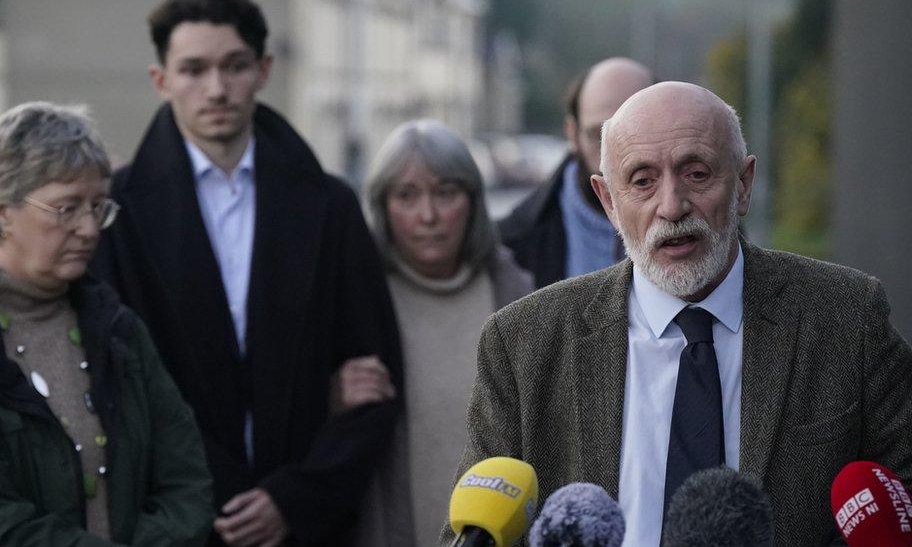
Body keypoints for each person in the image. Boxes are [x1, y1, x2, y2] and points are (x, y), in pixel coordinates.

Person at [444, 82, 912, 545]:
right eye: (642, 181)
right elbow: (474, 531)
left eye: (697, 173)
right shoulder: (524, 342)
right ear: (609, 201)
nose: (671, 206)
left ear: (743, 185)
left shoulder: (846, 317)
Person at [90, 0, 402, 545]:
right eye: (193, 70)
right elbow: (118, 388)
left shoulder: (330, 206)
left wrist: (296, 499)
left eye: (234, 66)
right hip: (176, 522)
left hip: (309, 525)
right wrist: (220, 497)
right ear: (161, 79)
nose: (216, 89)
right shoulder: (117, 214)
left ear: (263, 70)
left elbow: (375, 380)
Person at [0, 102, 214, 545]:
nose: (90, 229)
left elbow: (187, 482)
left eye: (99, 206)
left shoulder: (117, 329)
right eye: (67, 208)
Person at [355, 120, 533, 546]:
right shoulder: (354, 304)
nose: (429, 215)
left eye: (446, 193)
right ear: (381, 205)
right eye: (406, 196)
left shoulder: (521, 297)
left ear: (473, 201)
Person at [498, 58, 653, 288]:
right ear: (572, 133)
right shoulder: (512, 243)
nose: (614, 156)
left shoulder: (707, 227)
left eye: (635, 135)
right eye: (597, 136)